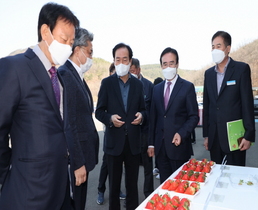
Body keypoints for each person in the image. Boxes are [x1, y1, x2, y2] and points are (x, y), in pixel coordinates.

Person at [0, 3, 79, 209]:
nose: (68, 47)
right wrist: (8, 174)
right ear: (45, 31)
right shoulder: (14, 68)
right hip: (28, 192)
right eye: (64, 40)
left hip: (60, 189)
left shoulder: (58, 77)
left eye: (71, 42)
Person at [95, 43, 146, 210]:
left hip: (133, 143)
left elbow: (144, 110)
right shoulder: (107, 83)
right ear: (114, 61)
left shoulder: (138, 85)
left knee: (132, 185)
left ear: (130, 61)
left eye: (125, 59)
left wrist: (142, 116)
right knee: (114, 186)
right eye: (118, 59)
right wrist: (110, 118)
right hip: (113, 143)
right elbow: (99, 111)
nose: (122, 63)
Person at [58, 28, 99, 210]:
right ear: (78, 50)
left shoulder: (78, 76)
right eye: (89, 52)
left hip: (84, 154)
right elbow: (69, 123)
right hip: (77, 159)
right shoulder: (66, 75)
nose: (91, 57)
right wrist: (78, 162)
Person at [203, 31, 255, 166]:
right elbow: (208, 106)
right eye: (213, 47)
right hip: (214, 136)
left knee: (235, 176)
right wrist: (206, 135)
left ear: (228, 48)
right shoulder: (208, 74)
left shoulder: (240, 69)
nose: (215, 50)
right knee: (216, 177)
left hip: (235, 136)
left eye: (218, 46)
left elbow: (246, 103)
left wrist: (249, 134)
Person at [148, 47, 199, 184]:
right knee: (165, 187)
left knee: (181, 186)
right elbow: (154, 117)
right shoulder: (157, 89)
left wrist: (182, 133)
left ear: (177, 64)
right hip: (161, 148)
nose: (168, 67)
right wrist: (151, 144)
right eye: (165, 64)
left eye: (171, 63)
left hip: (179, 147)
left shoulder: (187, 87)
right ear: (161, 66)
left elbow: (194, 116)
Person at [96, 62, 126, 205]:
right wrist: (110, 119)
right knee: (106, 165)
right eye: (114, 73)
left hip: (124, 138)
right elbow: (100, 111)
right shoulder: (107, 86)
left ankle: (117, 189)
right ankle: (101, 190)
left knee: (118, 168)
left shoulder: (126, 88)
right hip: (110, 136)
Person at [129, 58, 154, 198]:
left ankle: (148, 195)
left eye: (132, 71)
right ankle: (130, 197)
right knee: (130, 169)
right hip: (130, 134)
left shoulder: (149, 86)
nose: (130, 74)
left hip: (144, 133)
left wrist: (151, 141)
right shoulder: (125, 84)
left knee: (147, 167)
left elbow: (152, 113)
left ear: (138, 70)